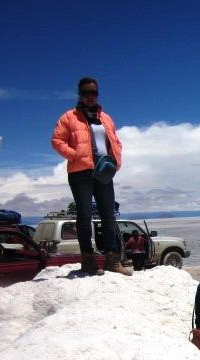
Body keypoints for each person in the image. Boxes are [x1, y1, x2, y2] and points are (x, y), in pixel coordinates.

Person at [51, 77, 131, 276]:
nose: (90, 97)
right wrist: (74, 155)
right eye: (86, 93)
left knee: (108, 215)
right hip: (80, 172)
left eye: (93, 93)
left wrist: (115, 162)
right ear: (80, 94)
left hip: (103, 171)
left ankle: (112, 261)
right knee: (85, 215)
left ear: (97, 94)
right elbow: (57, 140)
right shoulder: (69, 117)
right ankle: (88, 261)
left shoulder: (106, 118)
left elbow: (115, 142)